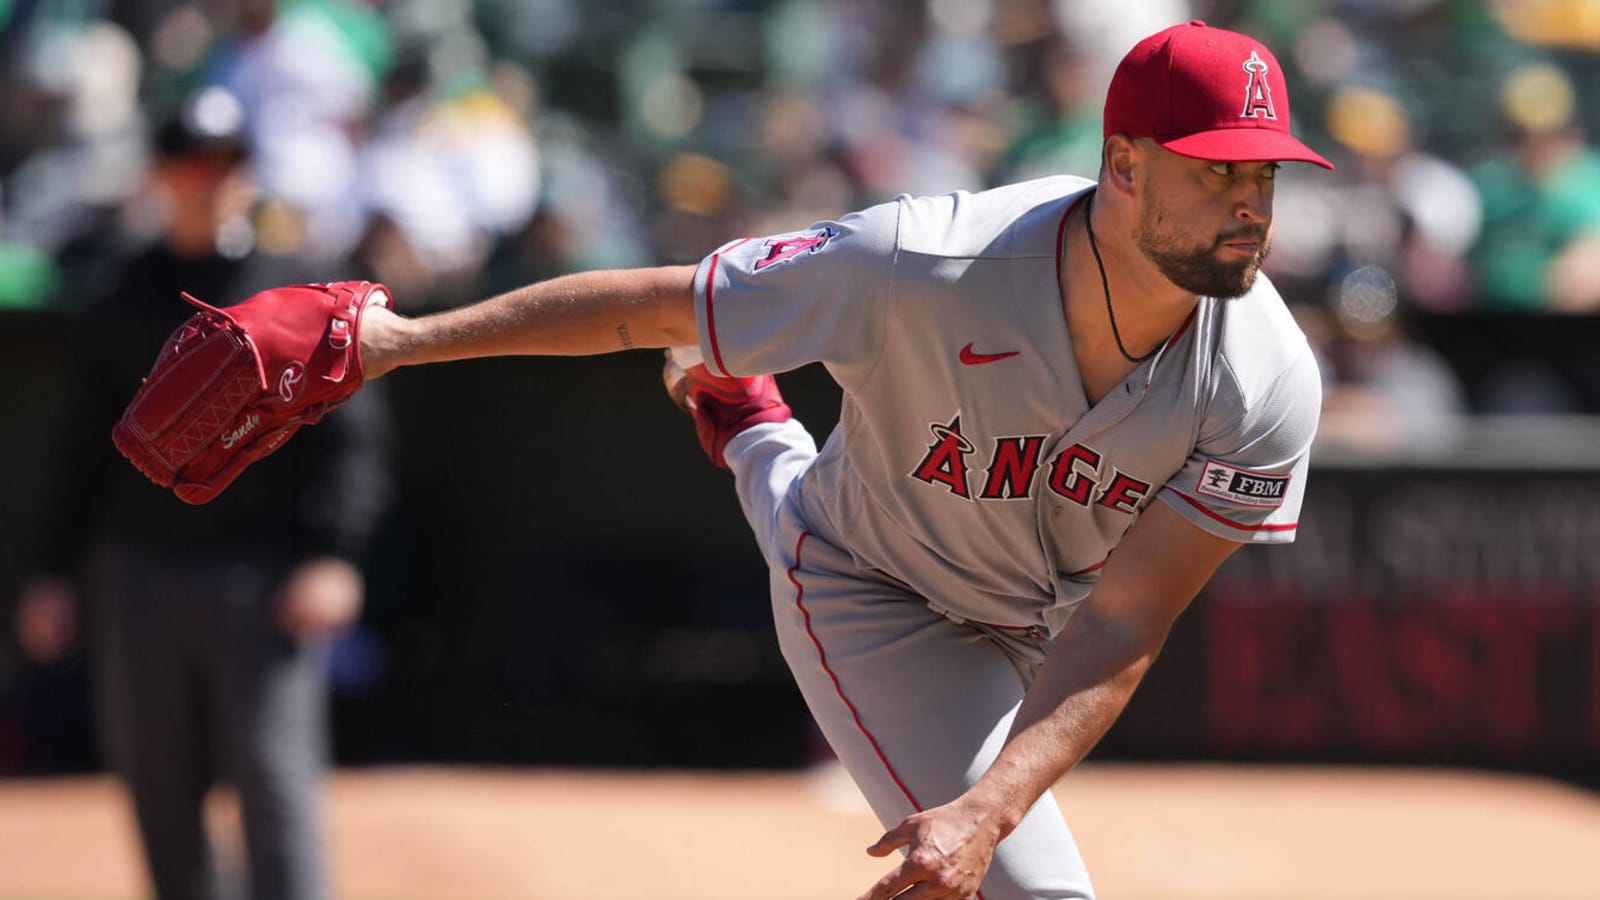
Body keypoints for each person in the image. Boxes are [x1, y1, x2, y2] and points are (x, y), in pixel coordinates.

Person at [362, 20, 1324, 899]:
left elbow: (1125, 617)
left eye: (1266, 175)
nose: (1250, 204)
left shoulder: (1264, 376)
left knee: (792, 478)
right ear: (1122, 164)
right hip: (879, 593)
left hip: (1040, 618)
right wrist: (398, 341)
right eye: (1215, 171)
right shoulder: (929, 255)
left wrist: (988, 809)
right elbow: (654, 304)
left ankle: (741, 412)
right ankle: (744, 413)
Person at [12, 88, 393, 900]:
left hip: (262, 575)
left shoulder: (292, 289)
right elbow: (84, 448)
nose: (205, 181)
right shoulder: (124, 291)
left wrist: (333, 554)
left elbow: (351, 439)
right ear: (158, 174)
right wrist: (51, 571)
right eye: (188, 164)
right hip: (139, 570)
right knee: (158, 783)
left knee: (273, 779)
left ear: (246, 177)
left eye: (223, 165)